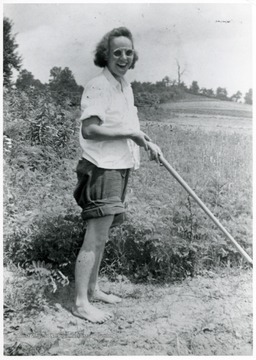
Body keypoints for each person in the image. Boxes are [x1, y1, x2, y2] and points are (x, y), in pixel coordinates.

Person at [73, 27, 162, 323]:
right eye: (117, 52)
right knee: (95, 236)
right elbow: (90, 130)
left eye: (128, 52)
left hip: (120, 165)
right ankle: (81, 303)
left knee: (103, 235)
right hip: (102, 168)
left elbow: (126, 126)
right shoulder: (99, 85)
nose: (123, 57)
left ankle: (94, 289)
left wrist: (147, 141)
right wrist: (132, 133)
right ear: (105, 56)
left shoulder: (123, 85)